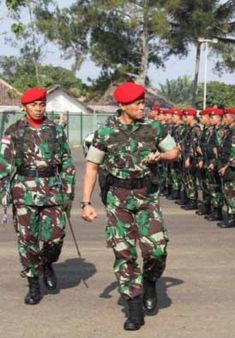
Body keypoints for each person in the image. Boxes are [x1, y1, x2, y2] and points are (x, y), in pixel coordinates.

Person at [81, 82, 179, 331]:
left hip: (147, 198)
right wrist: (86, 203)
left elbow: (175, 152)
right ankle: (133, 306)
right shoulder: (105, 133)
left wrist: (162, 155)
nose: (141, 106)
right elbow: (92, 167)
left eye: (142, 102)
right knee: (124, 253)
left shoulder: (154, 128)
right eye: (136, 103)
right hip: (118, 199)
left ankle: (149, 281)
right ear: (122, 106)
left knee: (156, 250)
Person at [0, 88, 76, 305]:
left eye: (42, 104)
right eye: (34, 105)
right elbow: (3, 164)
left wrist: (69, 191)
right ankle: (33, 283)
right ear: (24, 107)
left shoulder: (56, 130)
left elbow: (67, 162)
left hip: (52, 189)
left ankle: (47, 263)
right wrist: (2, 192)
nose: (38, 108)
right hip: (23, 191)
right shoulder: (13, 130)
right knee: (27, 239)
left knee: (55, 236)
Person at [216, 108, 235, 228]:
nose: (224, 119)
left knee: (231, 193)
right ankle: (229, 216)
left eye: (226, 117)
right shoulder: (228, 131)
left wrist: (227, 166)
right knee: (226, 192)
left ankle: (232, 219)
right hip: (225, 165)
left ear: (233, 118)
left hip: (231, 167)